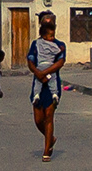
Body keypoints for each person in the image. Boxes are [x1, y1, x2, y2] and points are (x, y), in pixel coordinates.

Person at [28, 14, 66, 162]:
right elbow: (30, 61)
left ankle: (46, 151)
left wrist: (45, 72)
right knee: (38, 120)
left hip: (52, 83)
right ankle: (50, 138)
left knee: (49, 116)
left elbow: (60, 62)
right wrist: (38, 73)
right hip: (38, 83)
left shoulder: (59, 45)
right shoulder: (36, 45)